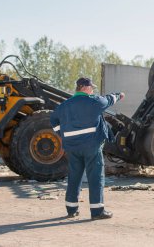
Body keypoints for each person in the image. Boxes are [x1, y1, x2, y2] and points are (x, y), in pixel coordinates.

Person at [50, 77, 125, 220]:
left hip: (72, 147)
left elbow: (53, 119)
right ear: (85, 87)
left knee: (74, 176)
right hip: (91, 146)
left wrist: (63, 134)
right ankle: (97, 211)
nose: (93, 90)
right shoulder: (94, 102)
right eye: (91, 88)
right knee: (95, 177)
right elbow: (108, 100)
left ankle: (71, 209)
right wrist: (119, 95)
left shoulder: (65, 105)